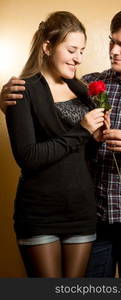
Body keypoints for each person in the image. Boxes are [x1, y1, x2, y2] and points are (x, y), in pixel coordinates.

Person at [0, 6, 121, 278]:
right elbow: (44, 113)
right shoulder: (88, 84)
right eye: (112, 41)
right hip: (94, 215)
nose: (114, 50)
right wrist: (7, 101)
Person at [0, 11, 110, 278]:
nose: (78, 58)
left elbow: (83, 154)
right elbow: (28, 157)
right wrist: (82, 130)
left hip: (81, 209)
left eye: (82, 51)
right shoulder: (21, 90)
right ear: (47, 46)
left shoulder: (83, 90)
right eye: (72, 49)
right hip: (40, 213)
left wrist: (96, 138)